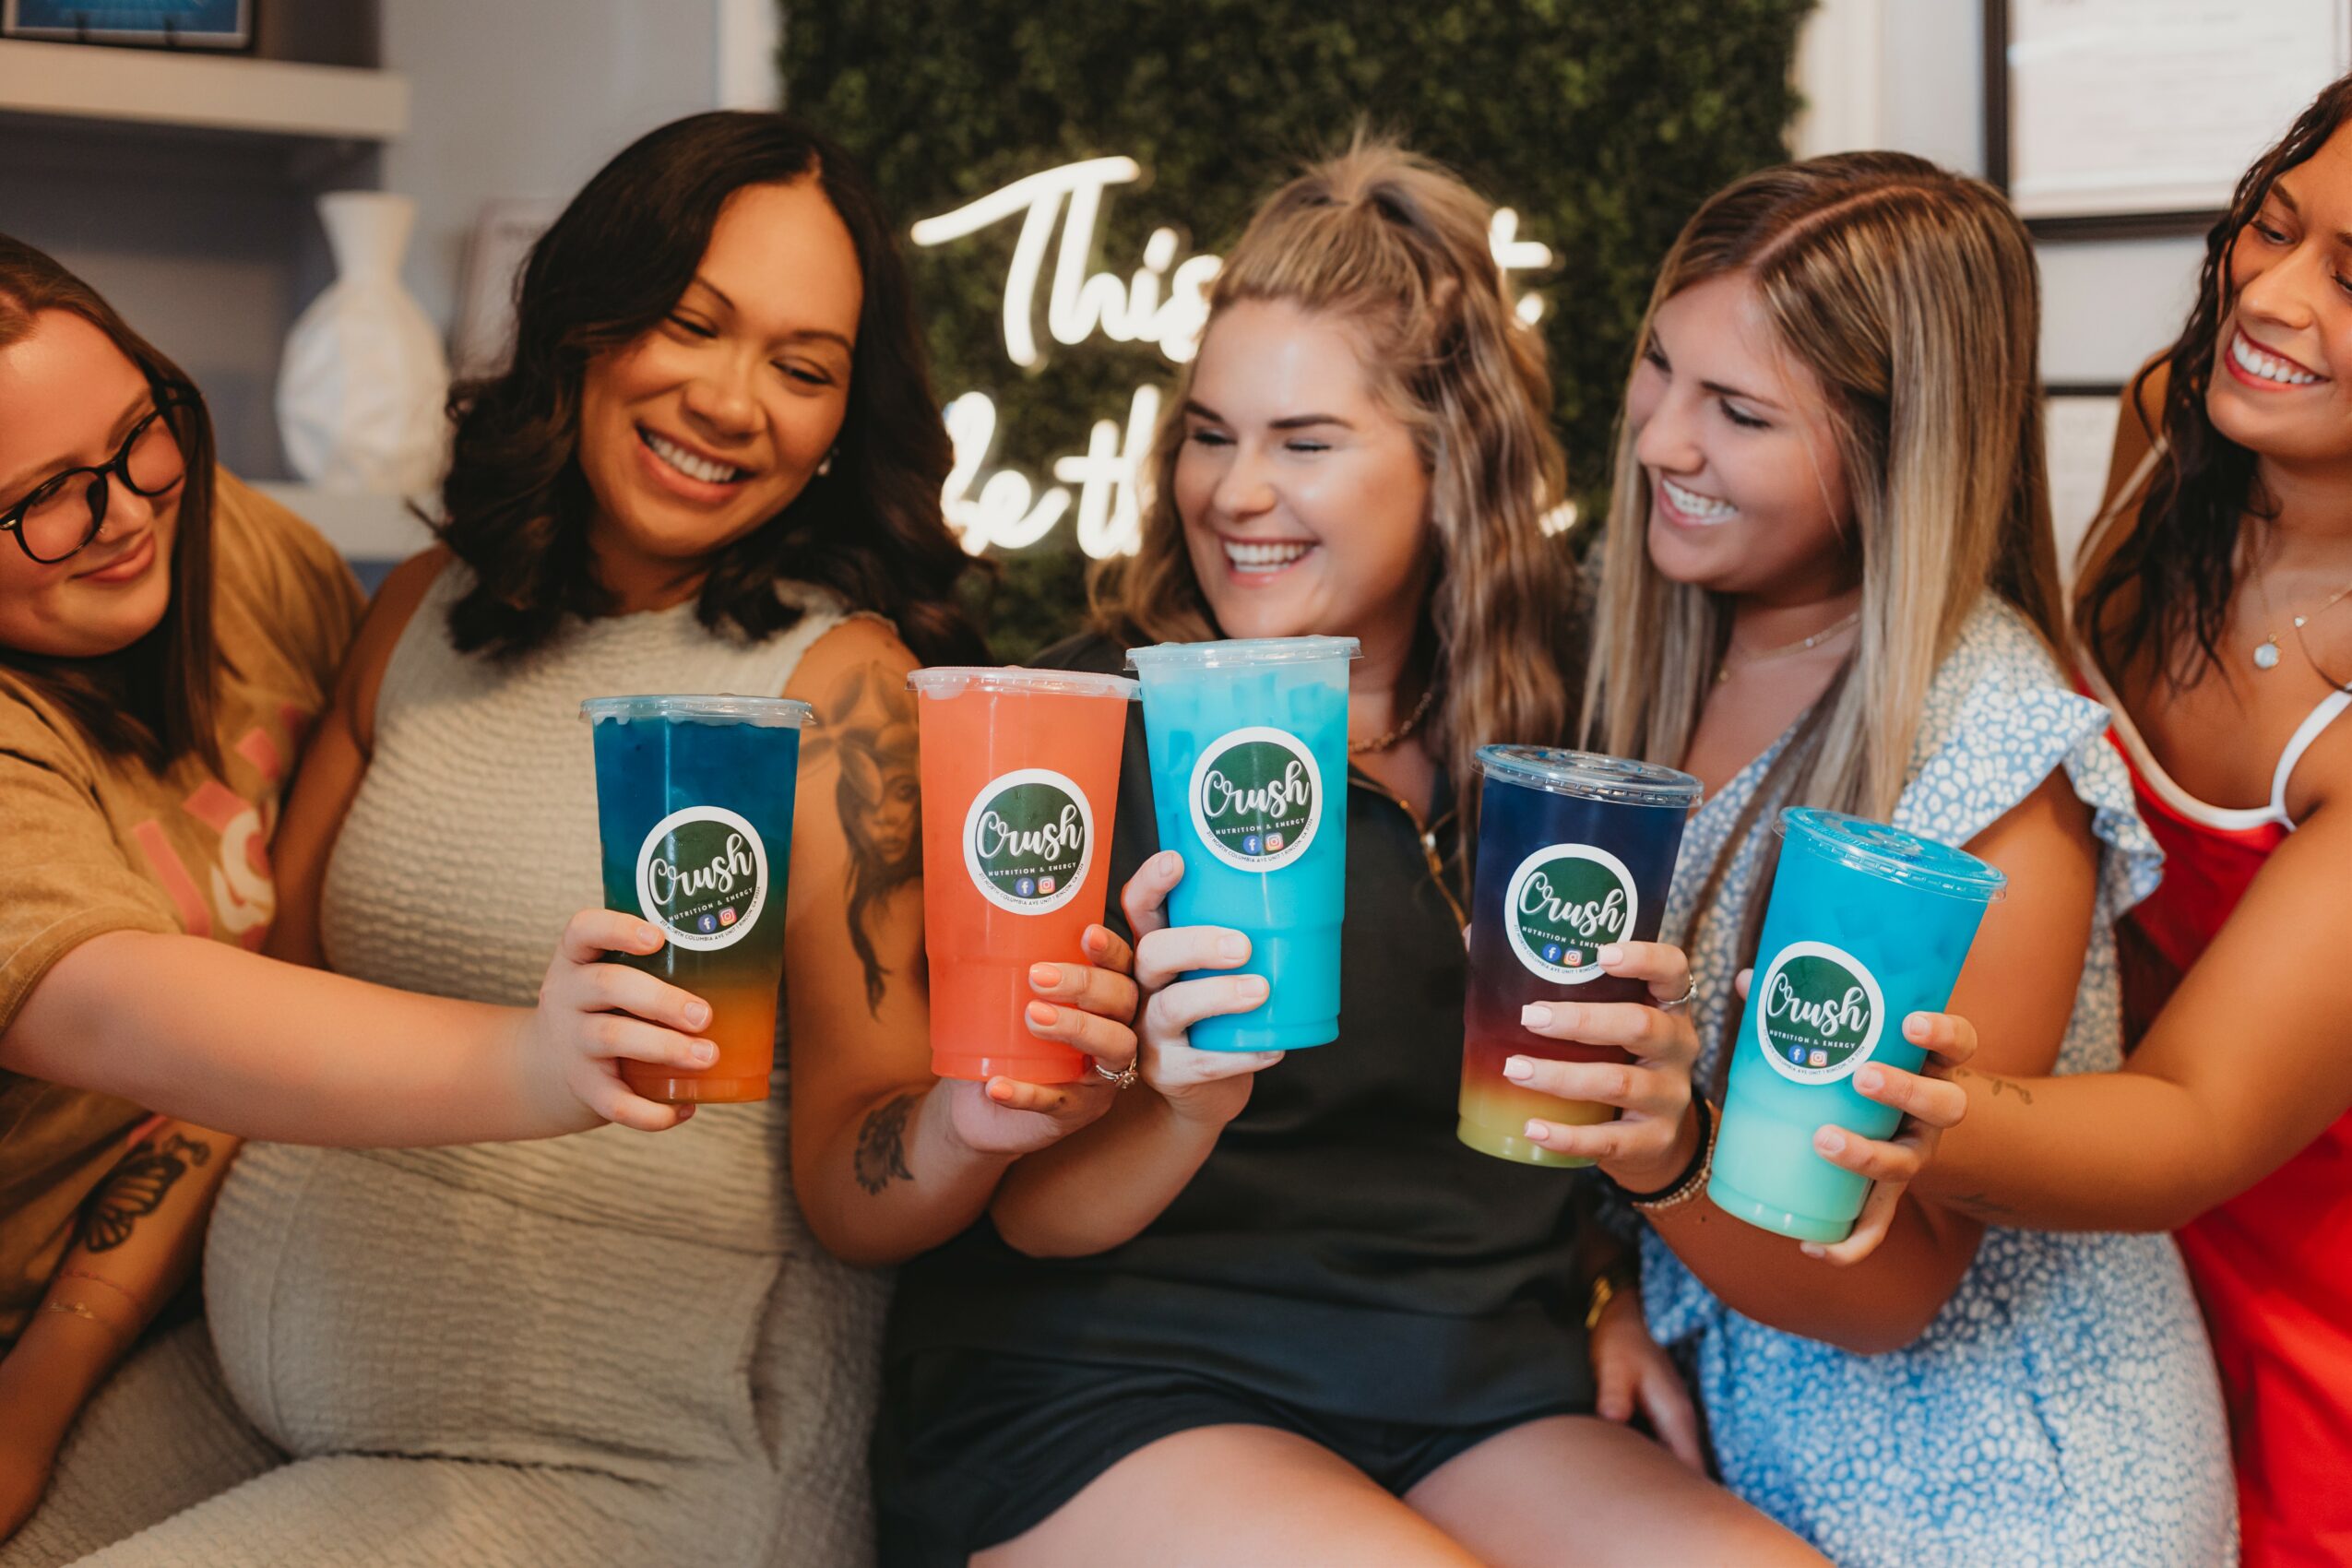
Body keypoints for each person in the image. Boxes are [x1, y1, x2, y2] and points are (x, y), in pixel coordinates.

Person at [3, 113, 1138, 1568]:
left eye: (802, 369)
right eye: (689, 324)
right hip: (248, 1393)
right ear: (582, 327)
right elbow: (236, 1065)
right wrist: (39, 1390)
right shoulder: (420, 609)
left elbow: (863, 1185)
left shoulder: (835, 689)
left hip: (611, 1463)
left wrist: (970, 1127)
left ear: (843, 421)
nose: (734, 403)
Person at [873, 137, 1831, 1568]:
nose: (1235, 494)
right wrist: (1181, 1105)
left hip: (1471, 1385)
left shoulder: (1578, 723)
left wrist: (1603, 1287)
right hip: (1117, 1380)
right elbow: (1019, 1218)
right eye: (1208, 434)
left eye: (1303, 443)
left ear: (1451, 463)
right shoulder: (1075, 735)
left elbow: (1569, 1117)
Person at [1551, 151, 2237, 1565]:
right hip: (1758, 1455)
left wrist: (1661, 1155)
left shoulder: (1986, 760)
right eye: (1655, 367)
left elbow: (1890, 1290)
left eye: (1736, 413)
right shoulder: (1659, 635)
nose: (1661, 441)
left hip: (2011, 1492)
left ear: (1893, 450)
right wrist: (1601, 1291)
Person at [0, 239, 727, 1550]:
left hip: (229, 1303)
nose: (121, 512)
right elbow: (138, 1016)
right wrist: (544, 1060)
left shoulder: (244, 557)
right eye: (43, 497)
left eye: (138, 436)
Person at [1897, 78, 2352, 1568]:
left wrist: (1867, 1110)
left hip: (2297, 1280)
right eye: (2269, 229)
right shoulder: (2175, 420)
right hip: (2077, 1176)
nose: (2269, 299)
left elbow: (2200, 1122)